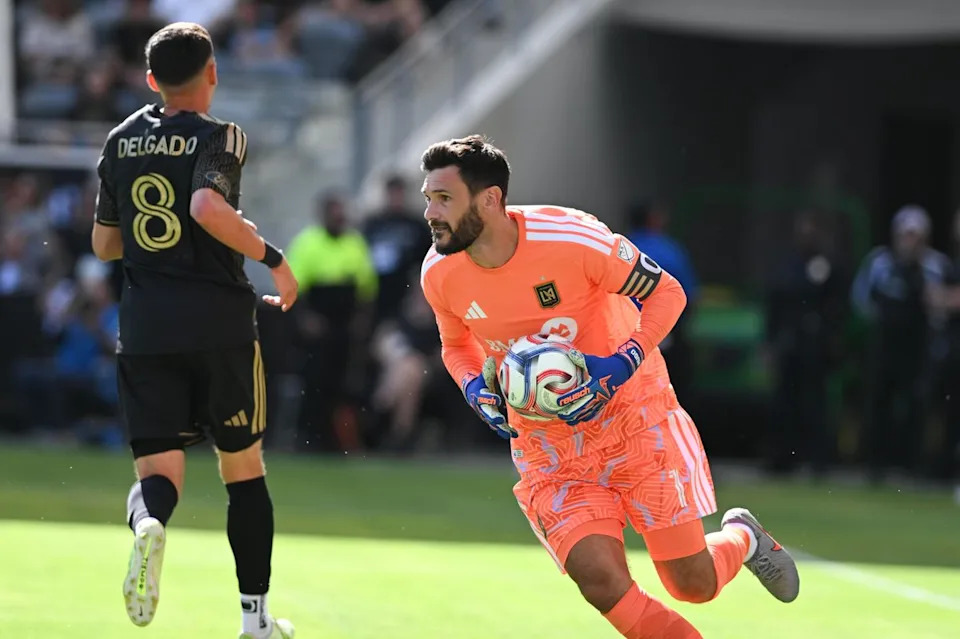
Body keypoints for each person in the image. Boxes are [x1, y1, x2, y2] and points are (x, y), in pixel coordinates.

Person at [418, 135, 799, 638]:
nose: (430, 212)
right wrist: (473, 388)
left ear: (489, 199)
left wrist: (622, 362)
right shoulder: (439, 272)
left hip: (635, 417)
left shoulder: (572, 239)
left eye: (443, 198)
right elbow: (456, 346)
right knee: (599, 580)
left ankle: (741, 540)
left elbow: (668, 292)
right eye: (429, 198)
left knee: (692, 583)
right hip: (549, 447)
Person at [90, 22, 296, 638]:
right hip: (219, 324)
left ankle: (149, 526)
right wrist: (274, 259)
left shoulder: (120, 138)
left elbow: (104, 244)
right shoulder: (221, 136)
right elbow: (208, 207)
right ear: (212, 73)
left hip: (146, 326)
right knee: (243, 468)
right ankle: (254, 621)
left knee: (157, 475)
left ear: (151, 80)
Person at [851, 205, 951, 483]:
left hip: (919, 349)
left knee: (917, 405)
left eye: (915, 236)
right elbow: (861, 299)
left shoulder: (936, 265)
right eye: (906, 235)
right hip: (885, 346)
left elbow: (942, 302)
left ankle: (912, 465)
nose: (910, 242)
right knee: (879, 403)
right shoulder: (880, 262)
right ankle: (876, 464)